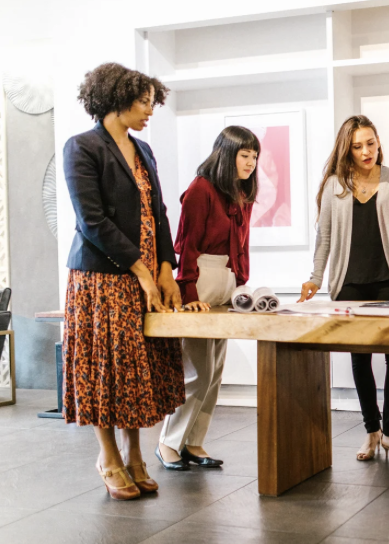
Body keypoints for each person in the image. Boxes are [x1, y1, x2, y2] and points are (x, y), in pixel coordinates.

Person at [62, 63, 184, 500]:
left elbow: (159, 212)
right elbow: (91, 220)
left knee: (138, 370)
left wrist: (167, 269)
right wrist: (141, 270)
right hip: (102, 279)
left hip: (147, 276)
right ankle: (108, 455)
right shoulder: (81, 147)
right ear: (117, 96)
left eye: (153, 101)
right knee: (106, 371)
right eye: (144, 100)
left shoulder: (144, 150)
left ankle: (136, 454)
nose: (150, 109)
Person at [298, 115, 389, 466]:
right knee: (359, 359)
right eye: (358, 146)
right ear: (347, 150)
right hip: (348, 285)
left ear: (379, 142)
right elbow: (325, 238)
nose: (366, 151)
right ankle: (372, 431)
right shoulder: (336, 184)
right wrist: (315, 278)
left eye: (371, 142)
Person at [156, 126, 258, 470]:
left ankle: (194, 442)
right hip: (198, 280)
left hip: (226, 283)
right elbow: (186, 244)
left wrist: (241, 285)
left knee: (214, 372)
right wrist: (187, 293)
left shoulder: (241, 194)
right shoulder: (201, 189)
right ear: (227, 154)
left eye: (255, 156)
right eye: (245, 155)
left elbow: (241, 247)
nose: (251, 162)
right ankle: (169, 443)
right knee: (196, 370)